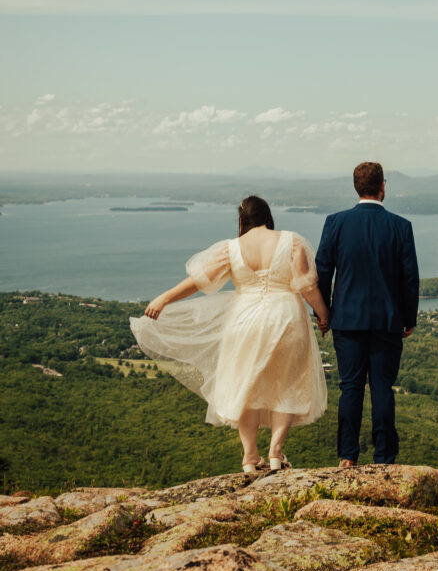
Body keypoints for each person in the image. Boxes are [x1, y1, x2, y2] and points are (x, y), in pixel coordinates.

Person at [129, 195, 329, 474]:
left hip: (244, 319)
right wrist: (323, 314)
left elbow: (199, 282)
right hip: (286, 317)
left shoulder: (231, 249)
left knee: (245, 385)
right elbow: (307, 286)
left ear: (242, 219)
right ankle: (275, 451)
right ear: (267, 216)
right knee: (288, 382)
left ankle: (249, 457)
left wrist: (165, 299)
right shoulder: (292, 242)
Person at [315, 161, 419, 467]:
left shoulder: (335, 223)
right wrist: (408, 318)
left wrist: (324, 313)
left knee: (350, 388)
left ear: (356, 186)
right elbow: (409, 278)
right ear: (382, 186)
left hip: (346, 320)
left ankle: (348, 456)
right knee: (383, 388)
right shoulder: (401, 227)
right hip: (387, 320)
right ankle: (384, 457)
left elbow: (322, 272)